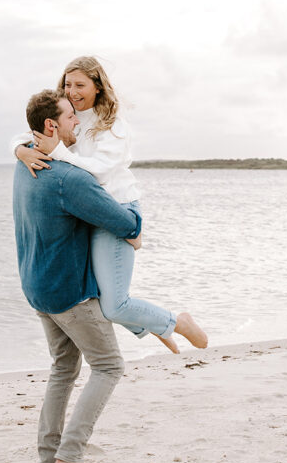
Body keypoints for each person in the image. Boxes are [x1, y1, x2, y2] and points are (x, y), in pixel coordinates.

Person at [11, 56, 207, 354]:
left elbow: (99, 171)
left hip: (116, 209)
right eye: (67, 84)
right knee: (95, 296)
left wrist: (59, 152)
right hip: (84, 211)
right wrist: (20, 151)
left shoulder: (113, 125)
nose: (73, 92)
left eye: (80, 85)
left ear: (98, 87)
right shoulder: (64, 114)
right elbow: (29, 133)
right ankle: (154, 325)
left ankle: (176, 322)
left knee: (114, 305)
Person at [13, 89, 143, 463]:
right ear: (52, 125)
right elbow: (123, 222)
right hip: (70, 293)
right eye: (71, 117)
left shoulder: (25, 164)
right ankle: (70, 456)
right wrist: (136, 226)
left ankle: (47, 457)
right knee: (108, 366)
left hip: (37, 287)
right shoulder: (69, 178)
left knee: (63, 369)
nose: (78, 123)